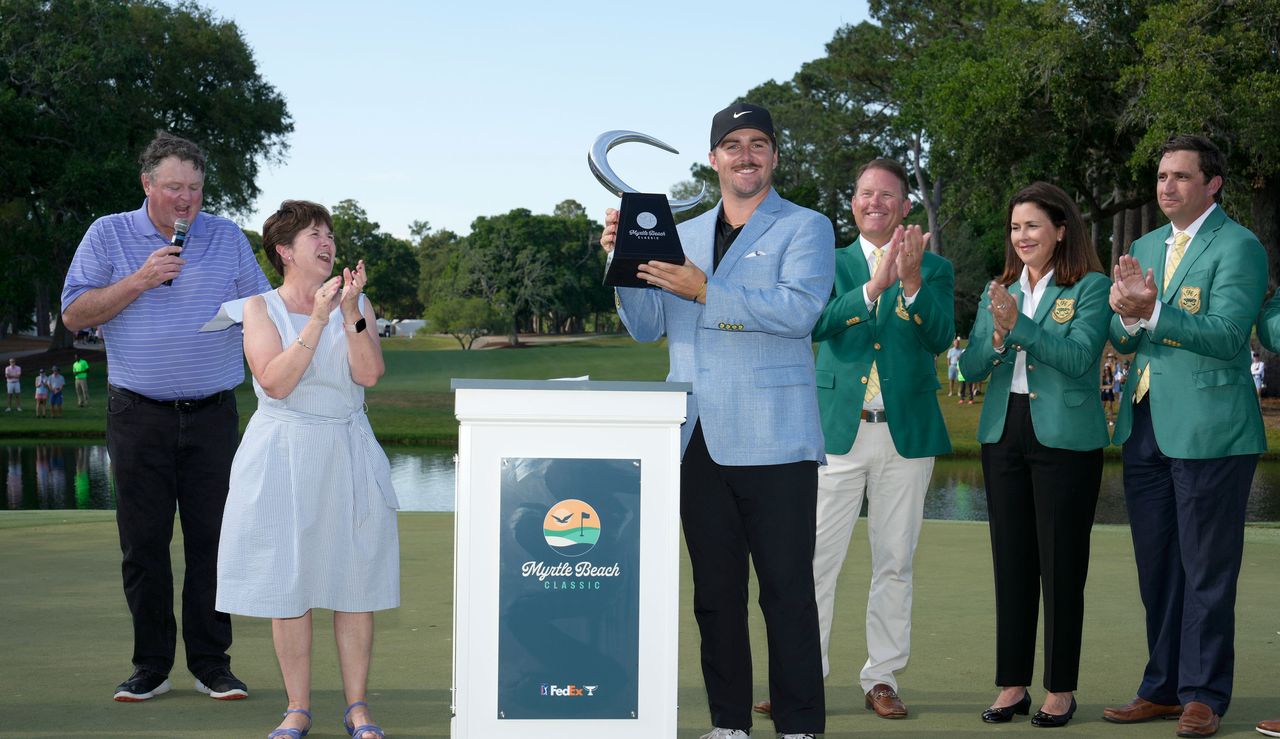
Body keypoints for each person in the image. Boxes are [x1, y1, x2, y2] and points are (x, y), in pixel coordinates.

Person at [600, 102, 833, 739]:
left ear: (775, 157)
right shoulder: (683, 231)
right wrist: (624, 266)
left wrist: (706, 290)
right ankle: (729, 723)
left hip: (777, 439)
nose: (746, 155)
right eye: (733, 145)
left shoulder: (806, 226)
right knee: (715, 597)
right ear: (713, 160)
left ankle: (800, 726)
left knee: (786, 594)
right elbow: (648, 328)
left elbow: (799, 313)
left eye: (759, 143)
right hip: (695, 438)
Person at [61, 131, 271, 702]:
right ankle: (151, 665)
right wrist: (140, 280)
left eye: (196, 188)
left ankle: (211, 664)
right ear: (147, 184)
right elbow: (75, 313)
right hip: (138, 415)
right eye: (174, 186)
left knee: (212, 542)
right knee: (144, 545)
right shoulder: (108, 234)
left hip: (212, 417)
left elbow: (263, 311)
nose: (186, 199)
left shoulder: (226, 237)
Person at [761, 158, 952, 722]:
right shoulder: (828, 261)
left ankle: (882, 678)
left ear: (904, 206)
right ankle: (802, 679)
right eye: (866, 194)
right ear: (853, 203)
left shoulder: (934, 267)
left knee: (895, 561)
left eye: (887, 195)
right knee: (814, 561)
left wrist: (911, 282)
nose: (875, 203)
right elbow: (814, 323)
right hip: (836, 433)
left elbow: (940, 335)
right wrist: (874, 286)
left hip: (905, 435)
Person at [1103, 134, 1267, 738]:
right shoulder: (1145, 244)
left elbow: (1228, 335)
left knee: (1206, 570)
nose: (1165, 186)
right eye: (1161, 176)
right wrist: (1125, 315)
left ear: (1212, 184)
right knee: (1158, 569)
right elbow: (1122, 339)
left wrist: (1150, 313)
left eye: (1179, 176)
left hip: (1211, 430)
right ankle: (1163, 687)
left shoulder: (1240, 246)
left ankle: (1203, 694)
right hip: (1143, 423)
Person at [216, 201, 396, 739]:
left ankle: (358, 708)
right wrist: (317, 317)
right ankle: (297, 708)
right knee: (287, 581)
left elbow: (369, 374)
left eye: (330, 233)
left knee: (355, 578)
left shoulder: (353, 304)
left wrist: (346, 310)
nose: (327, 242)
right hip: (283, 452)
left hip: (347, 446)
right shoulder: (257, 307)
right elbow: (275, 380)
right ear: (284, 250)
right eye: (314, 234)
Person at [959, 182, 1111, 728]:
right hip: (1004, 431)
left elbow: (1076, 356)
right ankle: (1012, 685)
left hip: (1066, 438)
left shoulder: (1092, 287)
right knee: (1012, 563)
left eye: (1033, 226)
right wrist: (997, 339)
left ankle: (1061, 689)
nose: (1022, 236)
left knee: (1062, 566)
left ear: (1061, 230)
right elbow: (972, 367)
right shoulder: (997, 287)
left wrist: (1016, 325)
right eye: (1016, 227)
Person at [1101, 356, 1117, 423]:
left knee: (1110, 407)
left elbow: (1112, 386)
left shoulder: (1112, 377)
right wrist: (1107, 386)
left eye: (1107, 370)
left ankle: (1111, 420)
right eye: (1105, 370)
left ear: (1109, 370)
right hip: (1104, 393)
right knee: (1103, 406)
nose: (1106, 371)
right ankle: (1102, 419)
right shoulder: (1103, 377)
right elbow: (1101, 386)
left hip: (1110, 393)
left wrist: (1106, 387)